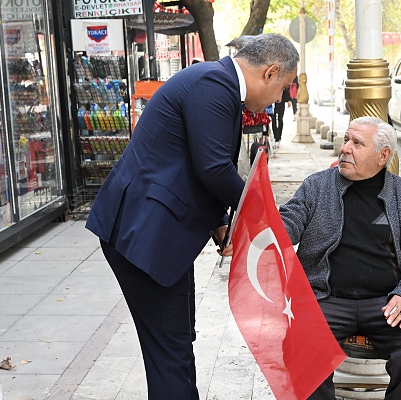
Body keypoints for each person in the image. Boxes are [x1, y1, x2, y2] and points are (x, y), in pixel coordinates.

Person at [85, 33, 298, 399]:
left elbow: (196, 165)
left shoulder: (217, 85)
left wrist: (220, 223)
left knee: (179, 342)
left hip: (161, 235)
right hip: (144, 235)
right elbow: (214, 168)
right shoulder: (214, 84)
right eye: (283, 88)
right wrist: (263, 216)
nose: (279, 98)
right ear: (270, 72)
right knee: (171, 352)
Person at [278, 116, 401, 399]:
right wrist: (266, 228)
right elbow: (289, 220)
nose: (345, 148)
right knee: (299, 338)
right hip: (325, 298)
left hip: (387, 302)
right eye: (346, 140)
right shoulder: (317, 187)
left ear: (383, 156)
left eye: (357, 143)